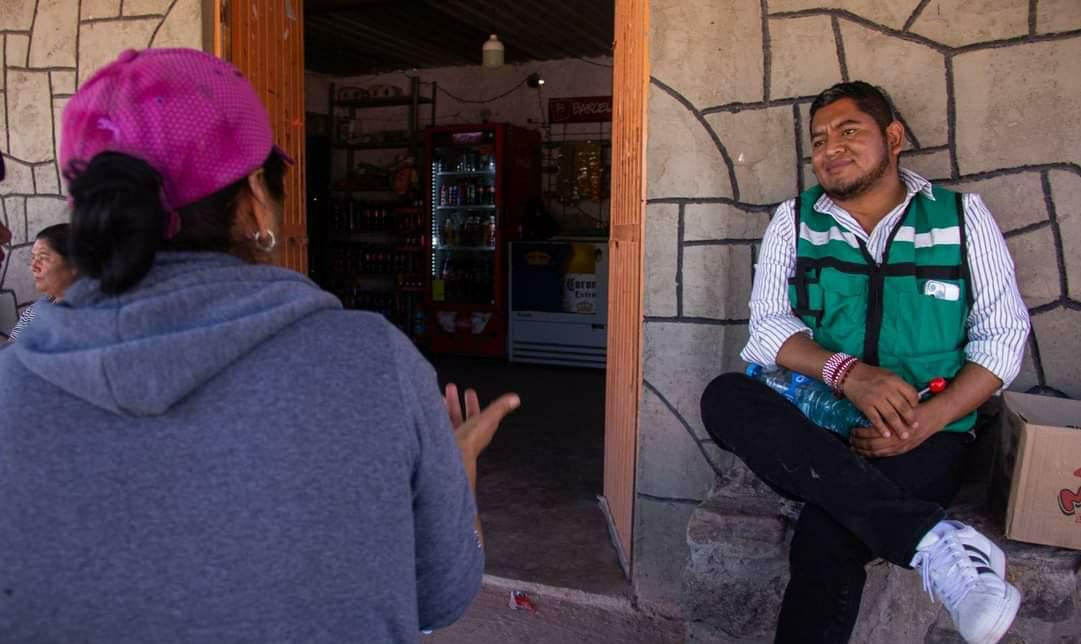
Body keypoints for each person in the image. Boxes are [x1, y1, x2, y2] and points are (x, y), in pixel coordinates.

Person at [0, 48, 518, 642]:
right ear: (254, 203)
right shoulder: (376, 362)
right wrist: (458, 467)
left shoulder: (10, 386)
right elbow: (443, 593)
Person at [700, 81, 1030, 644]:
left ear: (894, 137)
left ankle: (930, 541)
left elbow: (1003, 339)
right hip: (824, 416)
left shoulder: (960, 217)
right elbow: (768, 331)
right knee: (725, 397)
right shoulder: (795, 220)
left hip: (924, 428)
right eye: (819, 139)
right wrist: (847, 375)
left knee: (826, 537)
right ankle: (932, 541)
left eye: (849, 131)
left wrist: (926, 419)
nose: (831, 148)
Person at [8, 224, 77, 341]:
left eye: (43, 258)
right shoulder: (34, 311)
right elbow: (11, 351)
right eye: (33, 257)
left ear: (75, 264)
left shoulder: (92, 315)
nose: (33, 267)